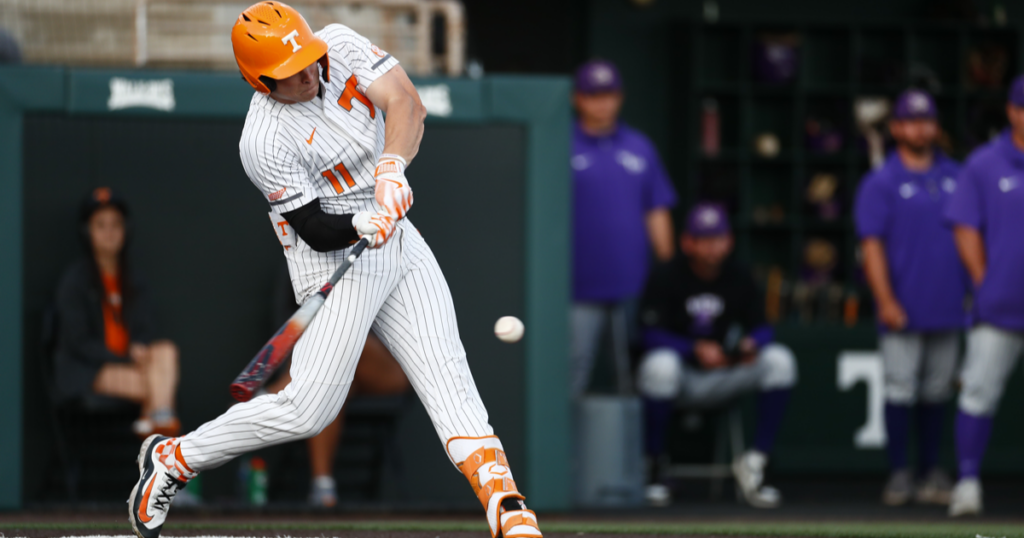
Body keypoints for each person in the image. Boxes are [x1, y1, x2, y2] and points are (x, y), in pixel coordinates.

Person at [128, 4, 542, 538]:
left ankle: (506, 506)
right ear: (259, 81)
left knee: (447, 373)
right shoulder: (262, 140)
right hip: (333, 258)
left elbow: (406, 104)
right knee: (307, 410)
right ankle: (175, 458)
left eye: (307, 60)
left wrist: (390, 167)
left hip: (398, 237)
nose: (306, 74)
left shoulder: (340, 45)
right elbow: (312, 227)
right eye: (289, 73)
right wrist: (359, 218)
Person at [636, 203, 797, 508]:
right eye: (704, 239)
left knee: (779, 360)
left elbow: (764, 328)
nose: (713, 247)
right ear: (688, 242)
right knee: (659, 365)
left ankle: (755, 464)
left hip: (725, 370)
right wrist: (692, 349)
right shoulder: (667, 274)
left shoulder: (739, 274)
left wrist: (750, 344)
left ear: (729, 241)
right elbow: (648, 333)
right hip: (682, 375)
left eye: (718, 238)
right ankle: (654, 466)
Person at [854, 89, 965, 507]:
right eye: (912, 121)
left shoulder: (957, 175)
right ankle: (899, 472)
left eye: (927, 120)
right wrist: (884, 299)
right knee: (900, 389)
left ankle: (931, 471)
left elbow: (973, 235)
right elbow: (871, 247)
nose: (921, 128)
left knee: (938, 391)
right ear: (897, 128)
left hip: (949, 303)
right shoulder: (880, 182)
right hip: (902, 303)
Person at [570, 59, 677, 397]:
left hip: (633, 285)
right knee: (573, 370)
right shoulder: (561, 143)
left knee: (630, 374)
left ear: (620, 97)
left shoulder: (639, 146)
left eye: (609, 94)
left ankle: (631, 450)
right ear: (578, 99)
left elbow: (656, 208)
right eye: (593, 95)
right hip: (576, 287)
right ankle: (562, 451)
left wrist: (667, 266)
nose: (602, 103)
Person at [943, 73, 1024, 517]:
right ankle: (968, 482)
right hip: (1001, 305)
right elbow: (964, 225)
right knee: (978, 393)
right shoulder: (985, 163)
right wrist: (984, 280)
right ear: (1013, 111)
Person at [265, 267, 410, 507]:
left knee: (343, 340)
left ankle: (269, 399)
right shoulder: (303, 268)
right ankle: (323, 487)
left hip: (389, 369)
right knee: (331, 383)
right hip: (334, 371)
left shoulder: (387, 262)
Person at [54, 187, 182, 437]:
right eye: (100, 225)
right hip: (90, 370)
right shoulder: (74, 281)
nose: (110, 232)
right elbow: (78, 342)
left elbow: (147, 329)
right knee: (161, 386)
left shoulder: (134, 280)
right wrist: (126, 357)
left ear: (126, 229)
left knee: (166, 351)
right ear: (87, 231)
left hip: (134, 364)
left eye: (116, 224)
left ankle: (153, 423)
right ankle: (162, 434)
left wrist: (140, 348)